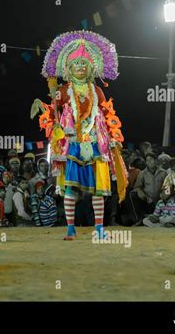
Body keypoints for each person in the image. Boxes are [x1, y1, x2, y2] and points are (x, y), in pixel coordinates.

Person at [32, 30, 128, 240]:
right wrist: (43, 107)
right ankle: (70, 229)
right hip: (73, 145)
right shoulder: (63, 91)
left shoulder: (98, 91)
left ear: (91, 67)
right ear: (68, 68)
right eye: (76, 64)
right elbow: (53, 113)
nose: (81, 67)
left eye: (84, 64)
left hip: (95, 145)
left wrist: (114, 136)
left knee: (99, 191)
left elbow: (108, 114)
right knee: (70, 190)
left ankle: (100, 230)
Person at [130, 153, 167, 225]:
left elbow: (168, 186)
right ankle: (140, 218)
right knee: (133, 194)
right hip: (148, 201)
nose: (149, 162)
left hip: (160, 201)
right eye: (147, 160)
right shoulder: (142, 173)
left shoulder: (163, 173)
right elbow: (137, 187)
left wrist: (164, 195)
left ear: (156, 161)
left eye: (151, 160)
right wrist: (143, 195)